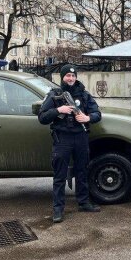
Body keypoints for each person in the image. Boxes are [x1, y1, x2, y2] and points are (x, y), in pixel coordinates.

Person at [38, 64, 102, 224]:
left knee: (82, 171)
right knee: (60, 176)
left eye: (73, 76)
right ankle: (58, 209)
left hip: (80, 137)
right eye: (68, 76)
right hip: (62, 139)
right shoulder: (55, 95)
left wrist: (88, 118)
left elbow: (97, 113)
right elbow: (42, 117)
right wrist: (59, 110)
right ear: (63, 77)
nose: (71, 78)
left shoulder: (84, 95)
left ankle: (84, 202)